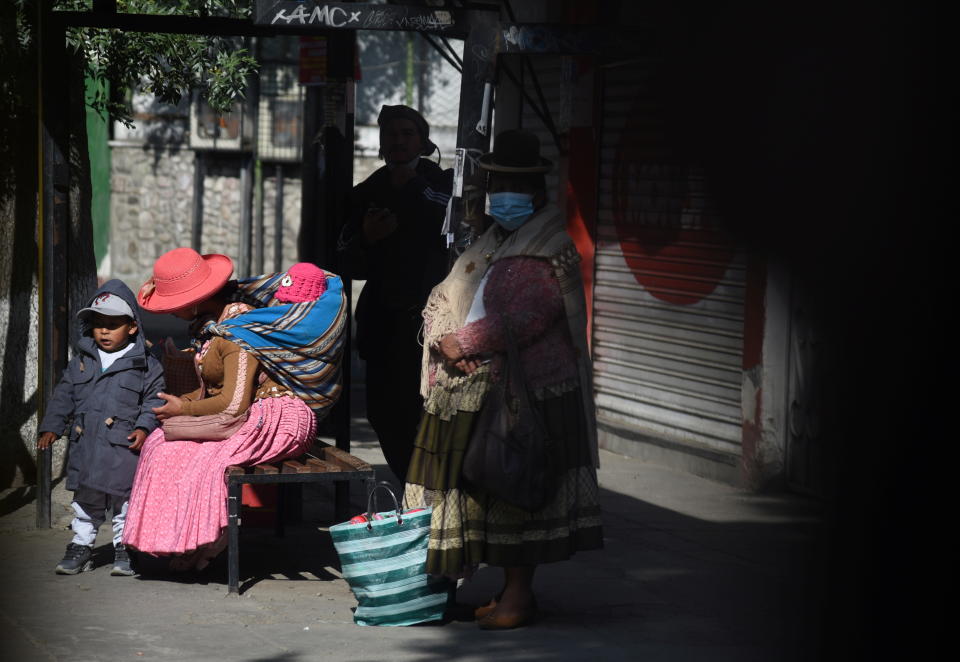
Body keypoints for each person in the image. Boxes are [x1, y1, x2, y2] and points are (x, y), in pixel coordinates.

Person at [403, 129, 603, 630]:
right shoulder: (494, 240)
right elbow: (451, 296)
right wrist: (448, 339)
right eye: (496, 184)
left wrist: (465, 344)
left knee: (518, 492)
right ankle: (506, 593)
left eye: (512, 186)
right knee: (485, 495)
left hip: (527, 394)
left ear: (535, 193)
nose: (502, 196)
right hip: (479, 386)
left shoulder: (549, 245)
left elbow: (532, 315)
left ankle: (518, 596)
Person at [122, 249, 347, 571]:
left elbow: (233, 403)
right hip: (249, 416)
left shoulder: (239, 331)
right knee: (162, 449)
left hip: (276, 420)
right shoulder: (215, 328)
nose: (170, 312)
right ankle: (174, 540)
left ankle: (202, 542)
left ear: (197, 300)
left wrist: (183, 407)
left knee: (206, 460)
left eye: (176, 303)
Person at [337, 104, 454, 483]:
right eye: (391, 134)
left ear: (422, 141)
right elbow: (347, 263)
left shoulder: (441, 184)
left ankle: (432, 491)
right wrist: (368, 240)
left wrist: (412, 182)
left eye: (407, 134)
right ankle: (411, 485)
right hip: (384, 325)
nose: (399, 141)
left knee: (427, 412)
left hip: (432, 324)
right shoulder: (367, 193)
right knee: (385, 414)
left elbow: (450, 222)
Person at [37, 280, 165, 576]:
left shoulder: (146, 365)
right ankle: (81, 545)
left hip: (123, 449)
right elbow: (63, 396)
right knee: (86, 501)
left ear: (132, 327)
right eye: (98, 324)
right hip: (87, 447)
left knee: (125, 503)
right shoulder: (81, 362)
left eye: (113, 324)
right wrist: (53, 427)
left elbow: (153, 403)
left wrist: (144, 428)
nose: (104, 331)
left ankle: (125, 548)